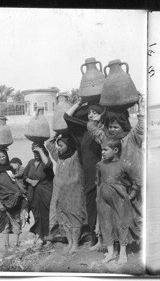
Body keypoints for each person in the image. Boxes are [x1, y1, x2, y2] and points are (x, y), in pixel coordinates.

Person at [87, 96, 145, 236]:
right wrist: (104, 113)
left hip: (131, 183)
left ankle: (138, 241)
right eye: (110, 127)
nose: (112, 130)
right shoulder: (105, 139)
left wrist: (140, 106)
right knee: (113, 214)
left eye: (115, 127)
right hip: (113, 183)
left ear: (123, 126)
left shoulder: (131, 137)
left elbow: (142, 125)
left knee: (136, 211)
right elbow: (91, 127)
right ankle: (118, 243)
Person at [64, 98, 104, 246]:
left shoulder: (105, 132)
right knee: (91, 207)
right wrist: (80, 102)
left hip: (105, 175)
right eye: (89, 113)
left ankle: (108, 241)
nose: (91, 115)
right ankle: (94, 238)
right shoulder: (83, 131)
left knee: (105, 206)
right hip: (89, 175)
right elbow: (67, 117)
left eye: (95, 113)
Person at [95, 138, 141, 264]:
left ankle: (122, 252)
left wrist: (130, 195)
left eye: (105, 149)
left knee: (122, 224)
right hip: (103, 200)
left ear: (115, 150)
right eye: (102, 150)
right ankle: (110, 253)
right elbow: (98, 180)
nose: (102, 152)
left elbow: (136, 182)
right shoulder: (100, 164)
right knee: (106, 223)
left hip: (120, 199)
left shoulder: (124, 164)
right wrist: (99, 196)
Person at [46, 135, 87, 254]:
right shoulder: (59, 158)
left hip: (74, 194)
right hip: (61, 195)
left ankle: (75, 244)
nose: (58, 148)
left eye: (61, 145)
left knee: (75, 218)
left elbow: (80, 145)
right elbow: (49, 144)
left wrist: (71, 131)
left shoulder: (76, 157)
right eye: (58, 145)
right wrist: (56, 134)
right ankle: (69, 243)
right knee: (64, 219)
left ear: (69, 146)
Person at [0, 150, 29, 247]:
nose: (2, 158)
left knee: (17, 221)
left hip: (16, 200)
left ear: (7, 157)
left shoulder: (11, 169)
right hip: (3, 200)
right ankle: (6, 246)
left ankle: (16, 244)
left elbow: (23, 171)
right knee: (5, 222)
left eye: (3, 156)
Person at [23, 144, 55, 246]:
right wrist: (30, 181)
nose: (36, 154)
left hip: (45, 192)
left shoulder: (46, 162)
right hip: (33, 193)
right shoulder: (31, 163)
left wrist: (40, 151)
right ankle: (40, 235)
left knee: (46, 215)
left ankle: (48, 236)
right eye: (34, 152)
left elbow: (48, 165)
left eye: (38, 152)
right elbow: (24, 175)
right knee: (37, 215)